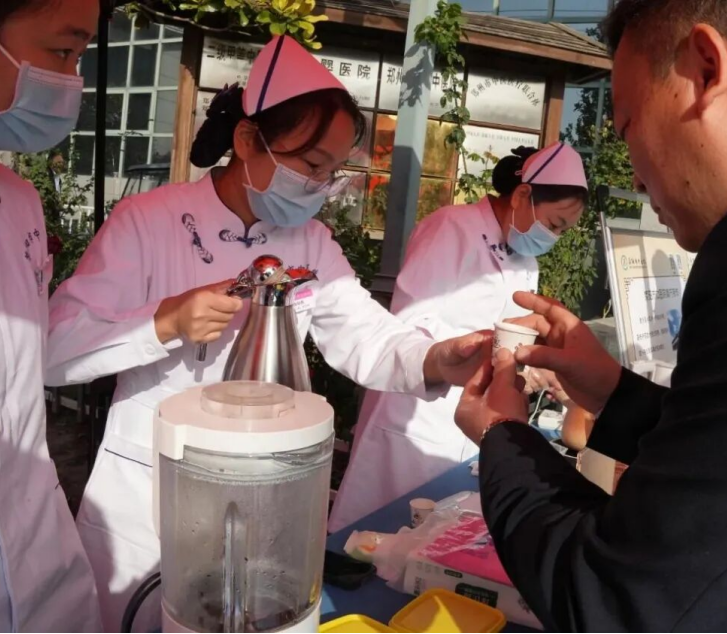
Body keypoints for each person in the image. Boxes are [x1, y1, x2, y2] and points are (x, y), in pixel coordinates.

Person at [46, 35, 488, 632]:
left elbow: (365, 333)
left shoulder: (311, 244)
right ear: (248, 141)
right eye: (310, 165)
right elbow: (57, 348)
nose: (321, 185)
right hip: (150, 490)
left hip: (266, 488)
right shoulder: (148, 223)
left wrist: (437, 358)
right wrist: (163, 322)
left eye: (332, 171)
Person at [454, 0, 727, 631]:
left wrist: (502, 434)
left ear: (706, 69)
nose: (638, 181)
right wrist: (614, 393)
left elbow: (620, 600)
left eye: (626, 128)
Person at [329, 144, 588, 532]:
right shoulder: (452, 227)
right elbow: (411, 320)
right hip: (417, 415)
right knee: (371, 537)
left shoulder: (526, 262)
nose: (554, 237)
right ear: (522, 195)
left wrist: (531, 359)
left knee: (436, 539)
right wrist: (490, 350)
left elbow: (512, 328)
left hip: (472, 419)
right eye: (553, 224)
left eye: (563, 231)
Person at [0, 1, 102, 632]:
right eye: (62, 52)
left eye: (80, 59)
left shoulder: (18, 200)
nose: (72, 82)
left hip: (32, 530)